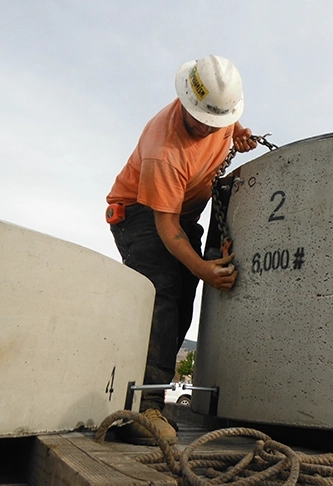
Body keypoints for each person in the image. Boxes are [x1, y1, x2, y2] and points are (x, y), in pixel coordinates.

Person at [106, 55, 256, 445]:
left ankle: (148, 394)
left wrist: (236, 132)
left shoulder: (219, 113)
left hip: (182, 216)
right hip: (141, 214)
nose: (208, 127)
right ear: (187, 102)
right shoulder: (164, 148)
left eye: (218, 122)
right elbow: (165, 228)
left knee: (184, 304)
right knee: (163, 294)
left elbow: (225, 123)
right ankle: (144, 411)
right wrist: (205, 270)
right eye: (200, 120)